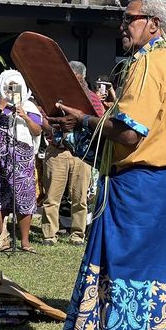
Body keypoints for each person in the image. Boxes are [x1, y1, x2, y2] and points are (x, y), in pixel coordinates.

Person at [51, 0, 166, 330]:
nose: (121, 27)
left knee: (119, 277)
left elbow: (131, 134)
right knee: (157, 281)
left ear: (153, 22)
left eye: (128, 19)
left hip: (139, 189)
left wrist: (84, 120)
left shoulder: (149, 63)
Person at [41, 61, 103, 246]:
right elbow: (43, 118)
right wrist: (53, 131)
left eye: (77, 79)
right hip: (57, 151)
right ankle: (49, 234)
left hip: (81, 154)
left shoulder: (92, 98)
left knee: (80, 197)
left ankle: (77, 234)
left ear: (83, 78)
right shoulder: (55, 97)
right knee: (52, 197)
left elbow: (99, 121)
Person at [0, 70, 42, 252]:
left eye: (16, 86)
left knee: (25, 196)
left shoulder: (29, 106)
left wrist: (24, 115)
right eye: (9, 86)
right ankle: (2, 238)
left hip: (22, 160)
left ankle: (24, 241)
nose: (12, 90)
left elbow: (37, 131)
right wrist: (0, 108)